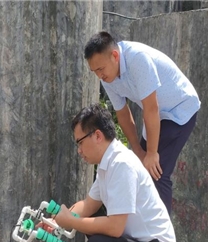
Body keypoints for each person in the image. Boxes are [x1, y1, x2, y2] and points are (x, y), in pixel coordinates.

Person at [53, 104, 179, 242]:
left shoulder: (121, 164)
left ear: (97, 135)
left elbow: (115, 227)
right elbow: (89, 205)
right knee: (93, 229)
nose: (79, 150)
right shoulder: (107, 164)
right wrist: (57, 221)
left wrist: (71, 222)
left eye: (80, 142)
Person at [84, 31, 200, 214]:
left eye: (101, 69)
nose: (100, 75)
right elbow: (123, 114)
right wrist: (138, 150)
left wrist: (152, 153)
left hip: (180, 110)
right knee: (139, 168)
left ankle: (163, 240)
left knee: (157, 172)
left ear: (115, 56)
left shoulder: (137, 59)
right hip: (158, 115)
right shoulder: (108, 77)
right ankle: (142, 233)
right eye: (95, 71)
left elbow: (151, 108)